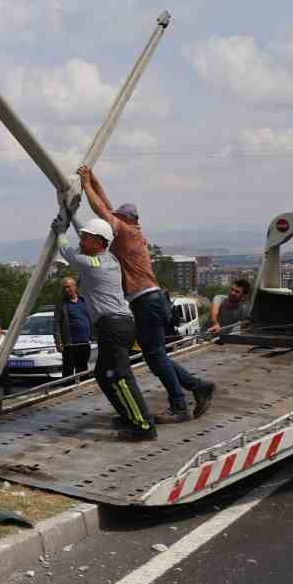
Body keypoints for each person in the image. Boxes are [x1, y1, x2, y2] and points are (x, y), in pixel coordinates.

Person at [77, 165, 216, 422]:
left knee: (155, 355)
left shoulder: (127, 232)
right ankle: (197, 387)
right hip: (149, 300)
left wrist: (85, 185)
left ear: (128, 220)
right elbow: (106, 206)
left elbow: (102, 211)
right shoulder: (130, 231)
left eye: (118, 217)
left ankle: (180, 406)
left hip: (146, 301)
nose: (113, 220)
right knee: (155, 355)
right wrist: (93, 178)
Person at [57, 216, 156, 441]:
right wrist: (73, 217)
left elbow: (67, 252)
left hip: (114, 326)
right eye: (81, 236)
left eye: (86, 238)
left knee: (121, 376)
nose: (81, 240)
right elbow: (90, 239)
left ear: (100, 243)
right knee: (103, 374)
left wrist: (59, 232)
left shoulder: (92, 264)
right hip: (118, 324)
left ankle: (144, 426)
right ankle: (129, 415)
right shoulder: (108, 257)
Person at [53, 275, 93, 377]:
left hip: (85, 342)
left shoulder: (84, 301)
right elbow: (56, 324)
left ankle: (82, 391)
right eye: (65, 287)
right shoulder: (61, 304)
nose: (67, 289)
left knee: (83, 370)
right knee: (68, 371)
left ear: (75, 287)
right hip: (70, 344)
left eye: (69, 287)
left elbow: (91, 318)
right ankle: (68, 390)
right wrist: (58, 341)